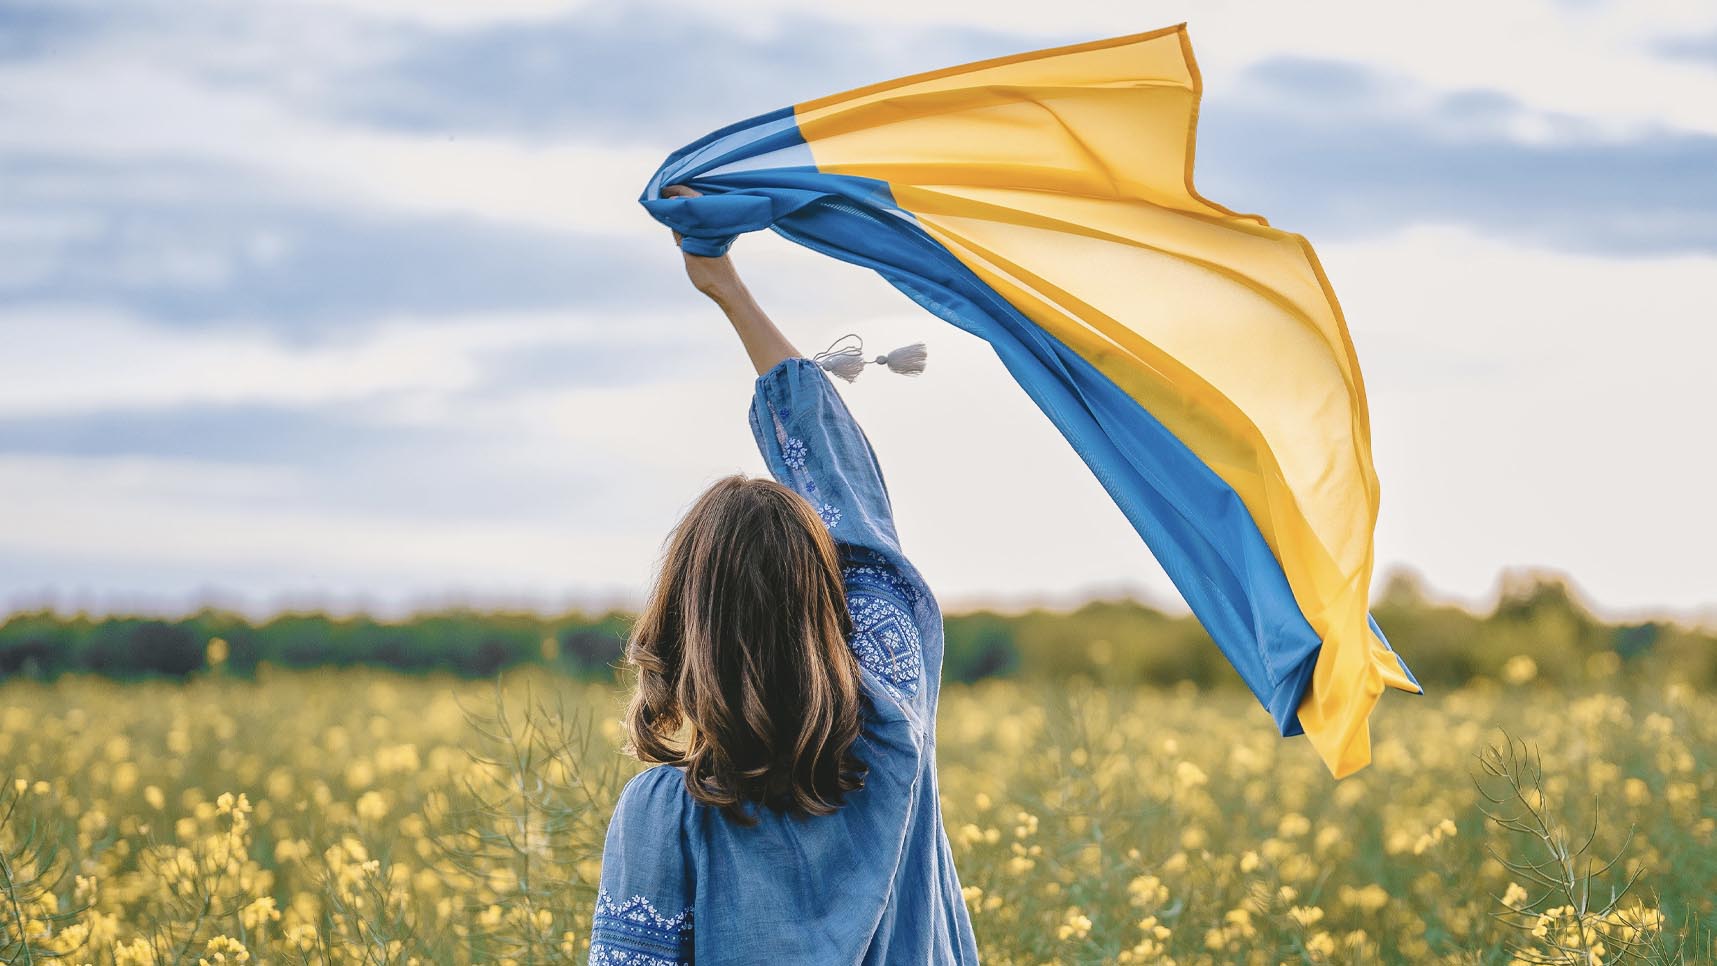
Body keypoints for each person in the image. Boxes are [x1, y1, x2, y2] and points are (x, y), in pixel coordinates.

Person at [586, 184, 981, 964]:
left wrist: (717, 283)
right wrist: (726, 284)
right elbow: (846, 489)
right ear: (831, 604)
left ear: (680, 624)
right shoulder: (893, 720)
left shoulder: (667, 818)